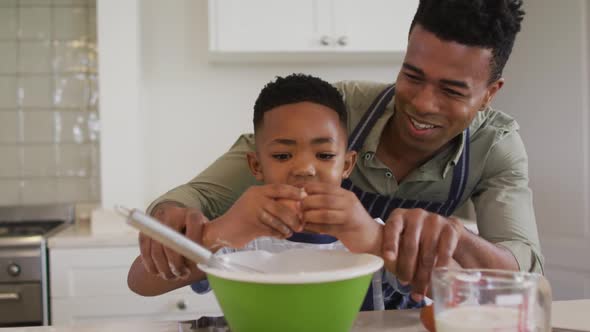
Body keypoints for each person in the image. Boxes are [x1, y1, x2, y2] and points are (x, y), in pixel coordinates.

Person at [130, 0, 543, 310]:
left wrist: (436, 240)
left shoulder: (497, 147)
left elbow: (518, 279)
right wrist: (177, 219)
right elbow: (192, 200)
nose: (423, 103)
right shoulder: (337, 108)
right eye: (411, 76)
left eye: (452, 91)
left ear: (490, 94)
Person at [129, 73, 392, 308]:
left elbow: (430, 281)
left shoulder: (368, 232)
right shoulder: (241, 240)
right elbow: (140, 281)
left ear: (346, 164)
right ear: (256, 166)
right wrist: (219, 233)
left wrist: (374, 239)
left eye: (324, 155)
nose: (304, 169)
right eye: (281, 155)